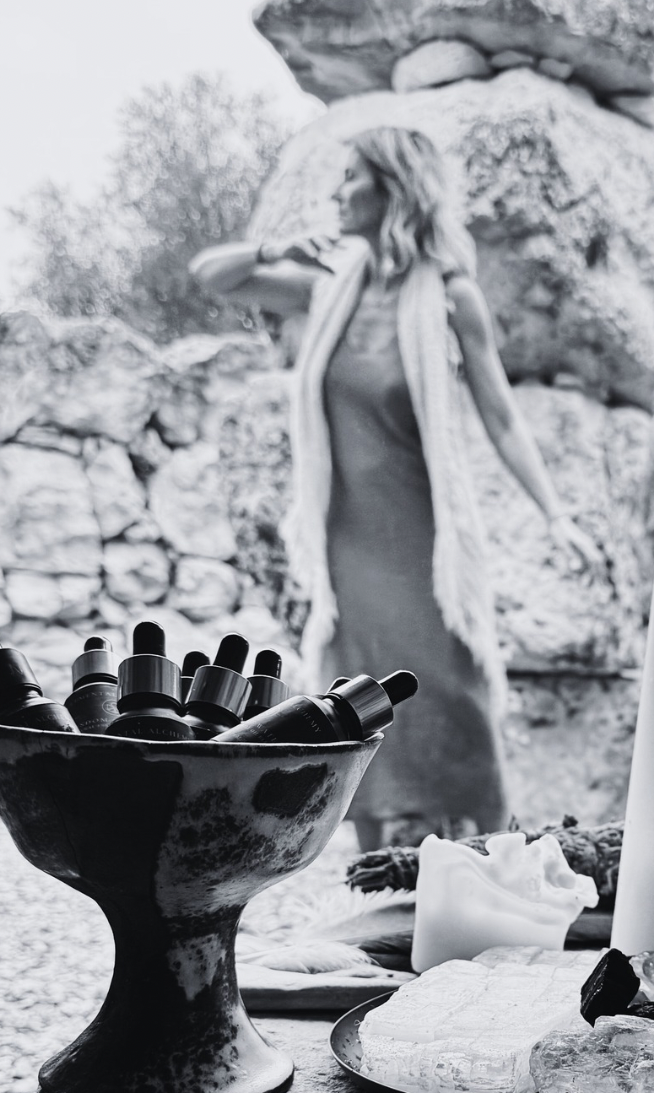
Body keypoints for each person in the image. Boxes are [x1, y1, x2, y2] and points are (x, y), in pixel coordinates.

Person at [190, 126, 600, 852]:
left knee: (452, 688)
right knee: (355, 691)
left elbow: (501, 416)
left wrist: (556, 515)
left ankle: (481, 850)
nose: (336, 192)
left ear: (394, 188)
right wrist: (273, 250)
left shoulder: (449, 296)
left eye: (352, 177)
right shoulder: (325, 289)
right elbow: (211, 275)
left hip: (427, 536)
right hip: (347, 536)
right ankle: (377, 859)